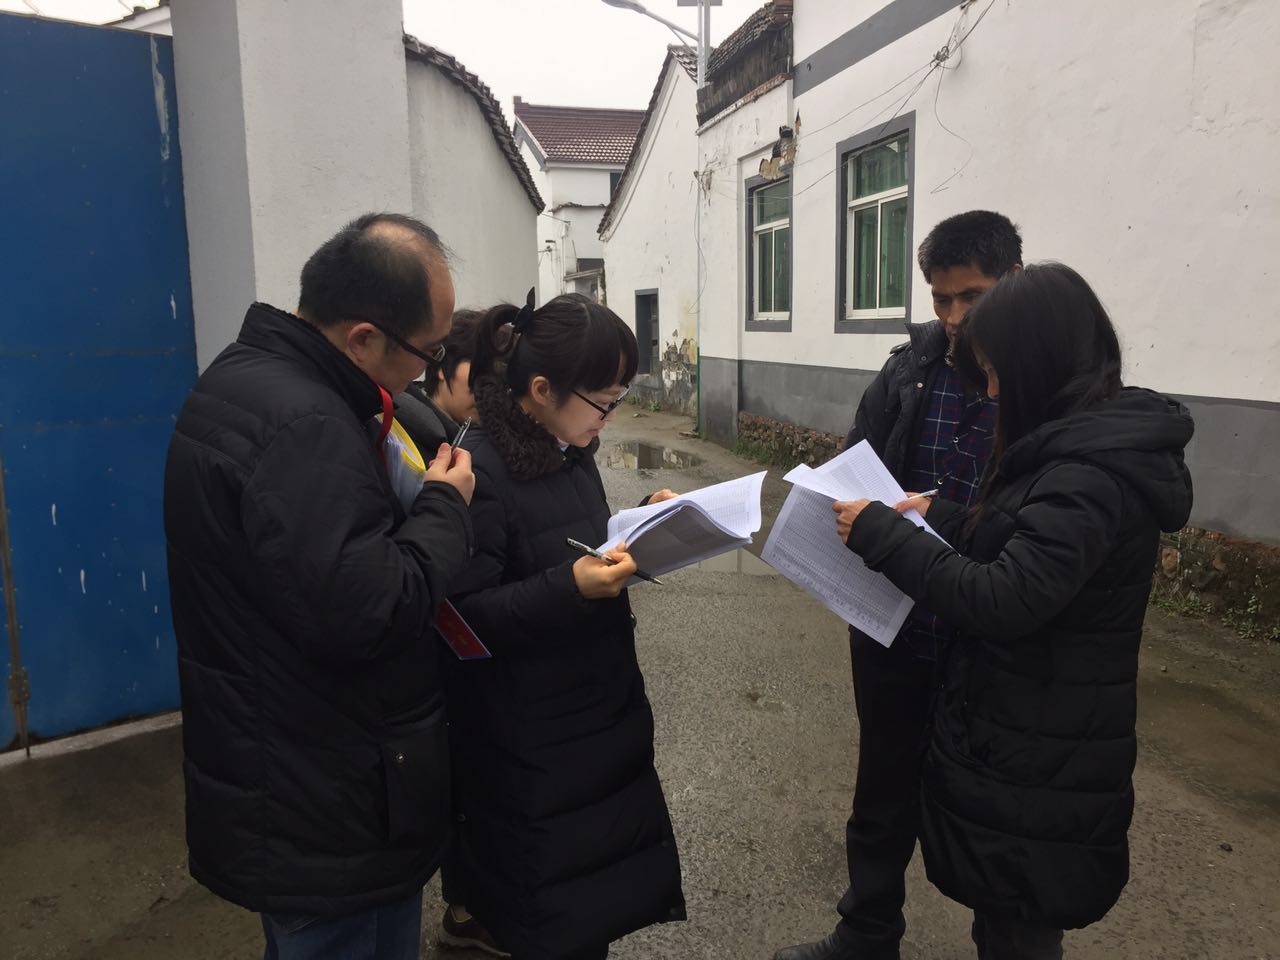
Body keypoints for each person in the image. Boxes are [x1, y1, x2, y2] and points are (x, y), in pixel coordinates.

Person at [833, 263, 1194, 958]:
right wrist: (944, 514)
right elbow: (1026, 541)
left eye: (998, 372)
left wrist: (886, 537)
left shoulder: (1087, 473)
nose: (992, 391)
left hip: (1047, 739)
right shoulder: (1075, 446)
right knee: (1001, 906)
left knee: (1018, 924)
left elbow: (1004, 597)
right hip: (1030, 720)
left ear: (1040, 363)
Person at [163, 213, 476, 960]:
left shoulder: (247, 378)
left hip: (286, 771)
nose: (428, 374)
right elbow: (372, 611)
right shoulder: (307, 426)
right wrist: (444, 508)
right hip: (327, 802)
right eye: (427, 353)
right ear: (363, 338)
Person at [775, 211, 1023, 960]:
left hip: (987, 634)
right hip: (897, 621)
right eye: (941, 299)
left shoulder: (1038, 385)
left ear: (1014, 281)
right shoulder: (909, 370)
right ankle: (867, 932)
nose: (954, 317)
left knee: (996, 818)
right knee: (881, 793)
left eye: (972, 296)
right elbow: (858, 459)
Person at [441, 293, 686, 960]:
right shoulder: (479, 470)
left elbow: (569, 540)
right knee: (553, 914)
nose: (611, 416)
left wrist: (644, 522)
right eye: (603, 401)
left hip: (593, 714)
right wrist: (570, 588)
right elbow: (462, 619)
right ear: (542, 389)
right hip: (531, 739)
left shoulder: (566, 445)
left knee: (589, 904)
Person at [397, 307, 483, 452]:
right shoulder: (402, 433)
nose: (486, 386)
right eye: (479, 369)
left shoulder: (473, 441)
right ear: (442, 367)